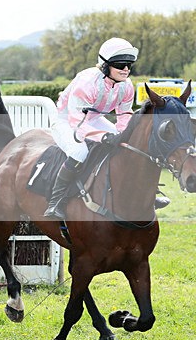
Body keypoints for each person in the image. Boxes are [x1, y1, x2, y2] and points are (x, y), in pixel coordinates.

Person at [43, 37, 168, 219]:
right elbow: (78, 122)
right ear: (105, 65)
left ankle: (148, 193)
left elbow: (124, 115)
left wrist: (126, 136)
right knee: (79, 152)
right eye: (120, 64)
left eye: (129, 65)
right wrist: (103, 137)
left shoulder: (126, 86)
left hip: (93, 119)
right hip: (66, 120)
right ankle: (56, 202)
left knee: (130, 146)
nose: (126, 69)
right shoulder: (87, 82)